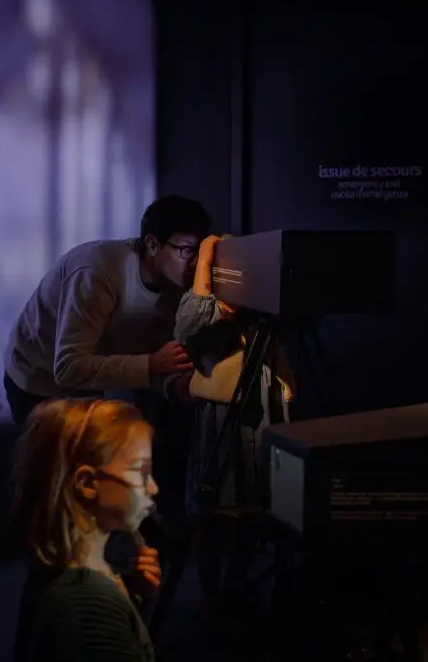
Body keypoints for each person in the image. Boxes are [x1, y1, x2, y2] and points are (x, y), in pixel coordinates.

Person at [2, 195, 213, 430]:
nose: (195, 263)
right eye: (186, 250)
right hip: (36, 376)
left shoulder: (177, 283)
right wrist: (151, 365)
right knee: (51, 462)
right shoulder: (98, 273)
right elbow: (68, 368)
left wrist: (175, 385)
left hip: (87, 377)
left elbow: (157, 352)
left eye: (200, 253)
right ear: (152, 245)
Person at [174, 234, 295, 629]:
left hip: (258, 424)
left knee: (252, 514)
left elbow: (281, 370)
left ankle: (236, 590)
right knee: (215, 513)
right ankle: (214, 595)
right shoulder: (208, 317)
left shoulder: (261, 321)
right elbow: (190, 322)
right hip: (220, 423)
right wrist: (209, 252)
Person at [10, 398, 163, 662]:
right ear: (87, 483)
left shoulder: (58, 569)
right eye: (142, 472)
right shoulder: (88, 606)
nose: (153, 488)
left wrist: (135, 598)